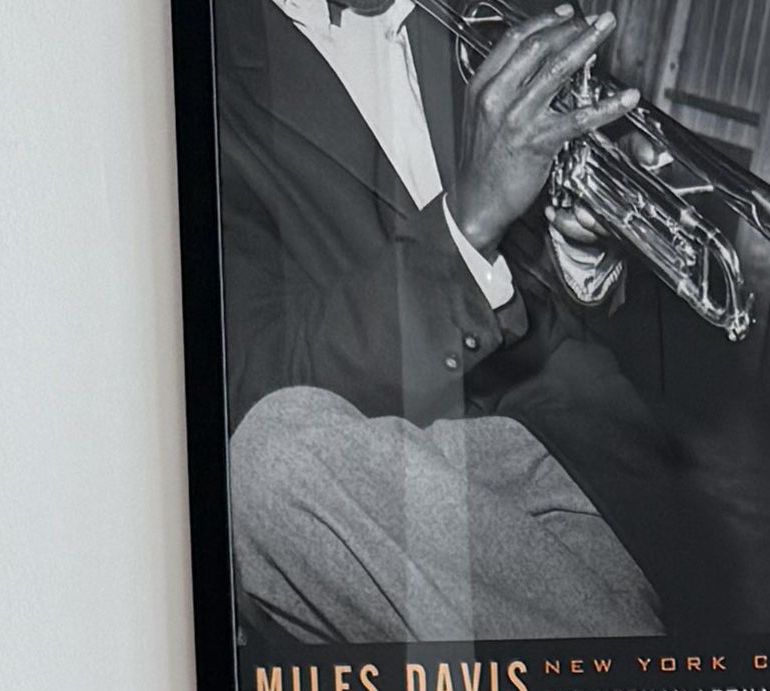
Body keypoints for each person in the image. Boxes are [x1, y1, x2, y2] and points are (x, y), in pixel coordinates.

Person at [212, 0, 666, 647]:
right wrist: (467, 228)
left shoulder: (484, 15)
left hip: (563, 443)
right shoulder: (209, 81)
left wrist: (587, 248)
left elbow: (596, 312)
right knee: (265, 462)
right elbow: (255, 372)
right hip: (365, 468)